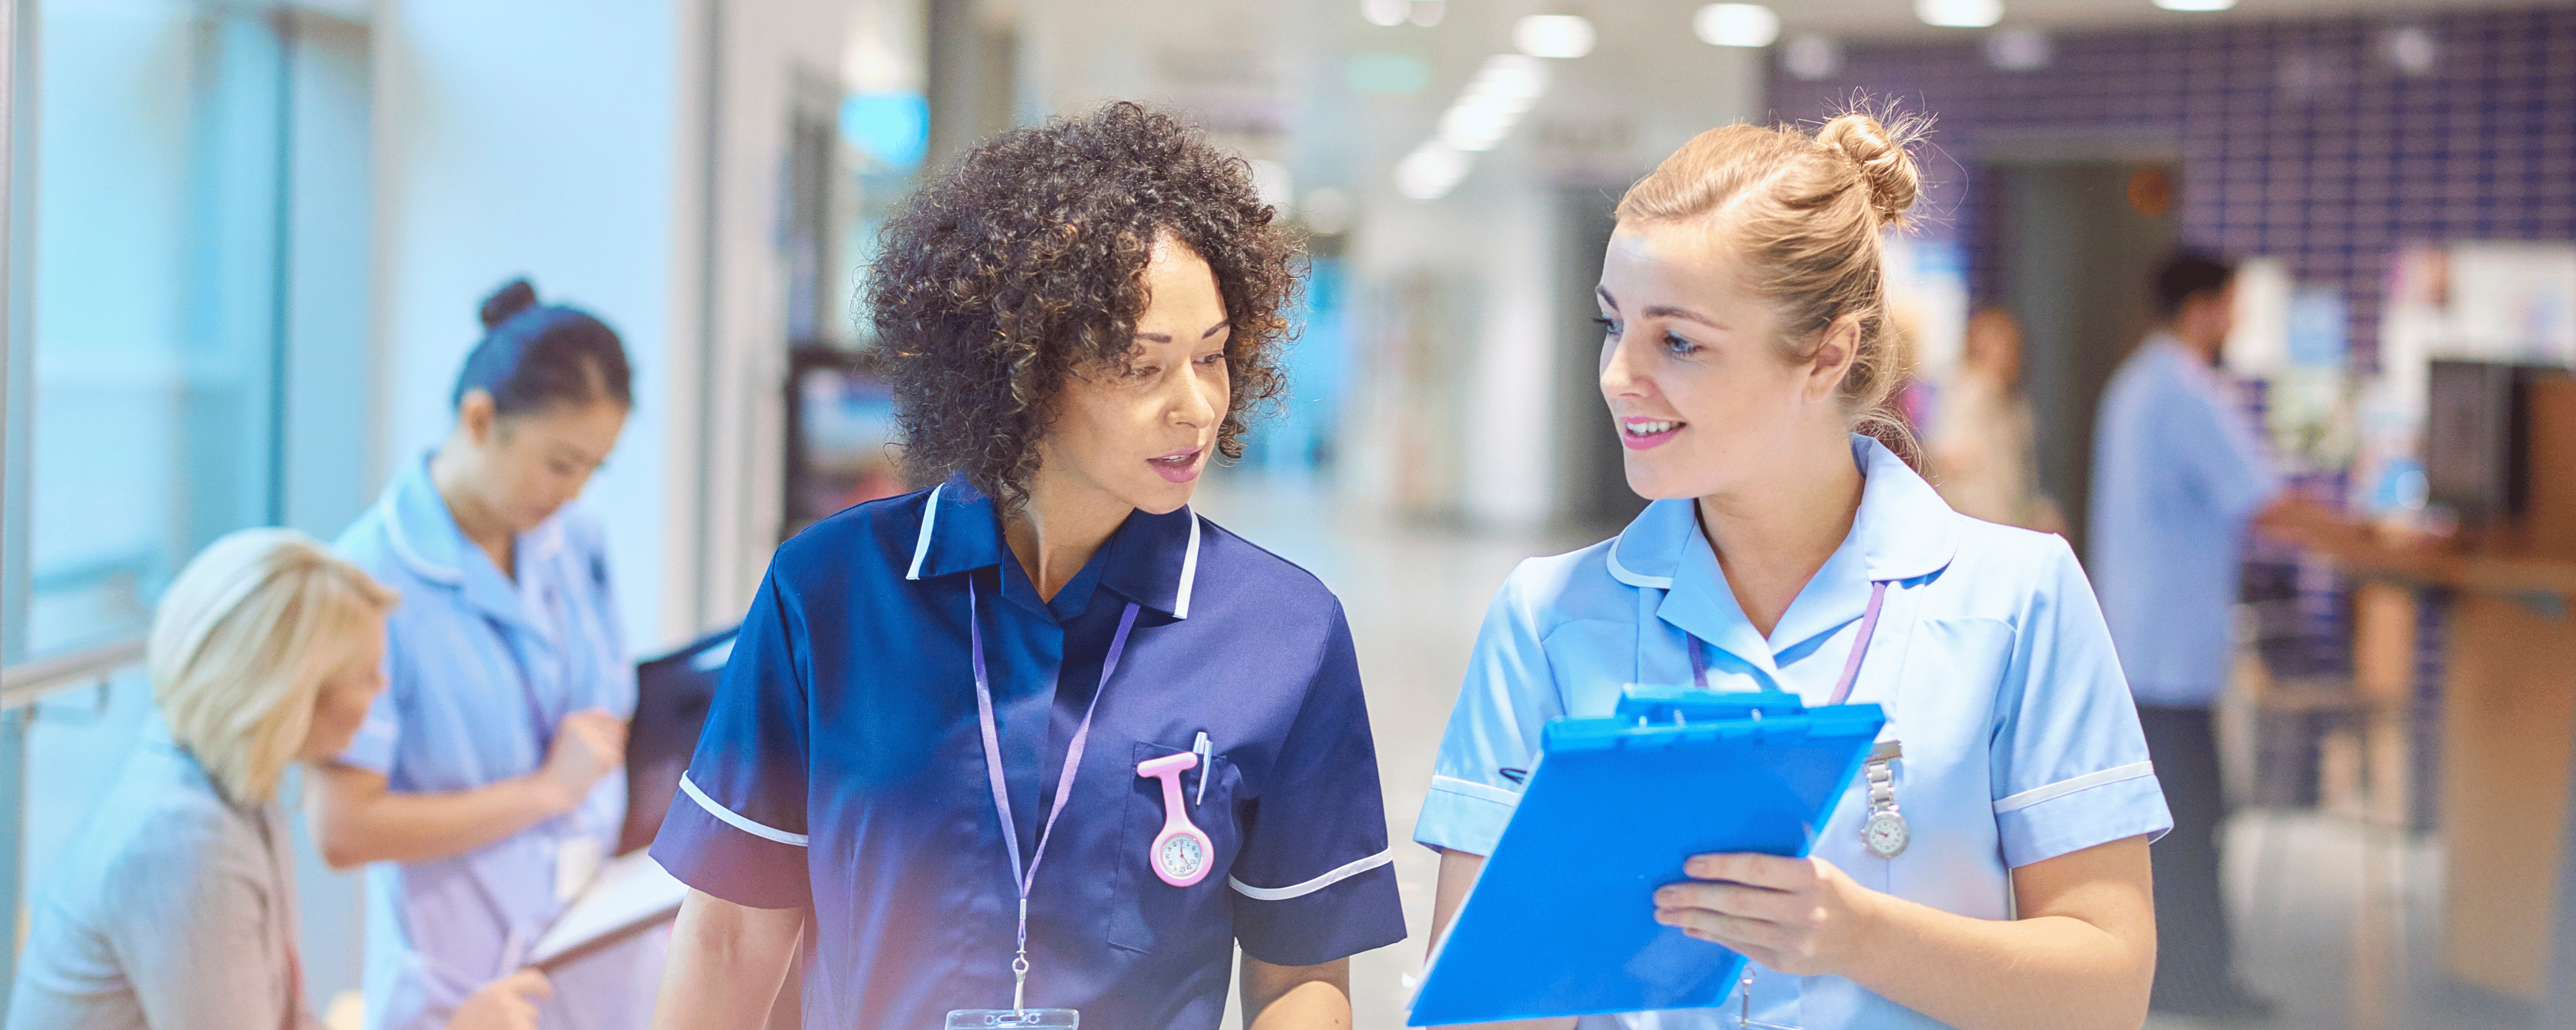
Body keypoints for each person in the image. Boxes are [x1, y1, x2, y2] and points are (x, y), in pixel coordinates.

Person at [647, 102, 1406, 1030]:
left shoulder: (1282, 632)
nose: (1197, 407)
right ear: (1024, 369)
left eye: (1211, 357)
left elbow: (1300, 978)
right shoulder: (830, 594)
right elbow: (732, 936)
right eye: (1143, 367)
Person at [1417, 112, 2172, 1030]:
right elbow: (1478, 1001)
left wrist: (1857, 936)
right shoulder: (1548, 619)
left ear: (1827, 354)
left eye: (1678, 341)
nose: (1618, 376)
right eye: (1612, 326)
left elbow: (2107, 991)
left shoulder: (2018, 602)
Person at [5, 529, 551, 1030]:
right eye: (365, 676)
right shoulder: (186, 841)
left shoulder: (234, 784)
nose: (382, 688)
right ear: (291, 695)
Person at [308, 280, 649, 1030]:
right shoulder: (370, 578)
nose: (575, 492)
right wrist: (543, 794)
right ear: (480, 419)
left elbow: (605, 710)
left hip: (593, 952)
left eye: (594, 468)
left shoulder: (575, 541)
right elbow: (342, 826)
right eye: (560, 463)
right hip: (460, 980)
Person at [2088, 249, 2376, 1021]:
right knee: (2191, 828)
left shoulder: (2136, 383)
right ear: (2204, 309)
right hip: (2170, 658)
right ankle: (2196, 985)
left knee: (2172, 828)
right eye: (2233, 306)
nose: (2238, 322)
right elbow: (2265, 503)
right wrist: (2366, 539)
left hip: (2141, 644)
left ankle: (2173, 978)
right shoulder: (2184, 391)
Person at [1928, 308, 2065, 533]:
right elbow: (1950, 471)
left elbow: (2023, 486)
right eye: (2000, 344)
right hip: (1977, 532)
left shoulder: (2015, 410)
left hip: (2007, 530)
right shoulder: (1965, 397)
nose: (2009, 355)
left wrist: (2040, 514)